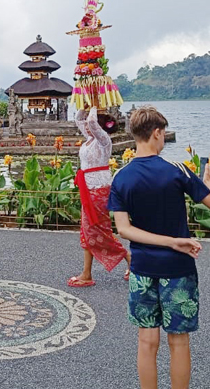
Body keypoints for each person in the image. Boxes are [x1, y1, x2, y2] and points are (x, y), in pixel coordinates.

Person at [109, 106, 210, 389]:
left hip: (141, 269)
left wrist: (165, 241)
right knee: (178, 341)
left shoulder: (121, 178)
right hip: (177, 268)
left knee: (147, 341)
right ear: (157, 133)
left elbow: (124, 230)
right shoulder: (178, 171)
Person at [68, 107, 130, 287]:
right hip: (88, 189)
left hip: (99, 189)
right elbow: (79, 119)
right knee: (87, 230)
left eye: (90, 122)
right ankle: (86, 273)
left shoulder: (104, 141)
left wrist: (94, 106)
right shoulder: (90, 140)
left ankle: (128, 257)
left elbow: (92, 123)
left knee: (97, 229)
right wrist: (85, 106)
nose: (87, 125)